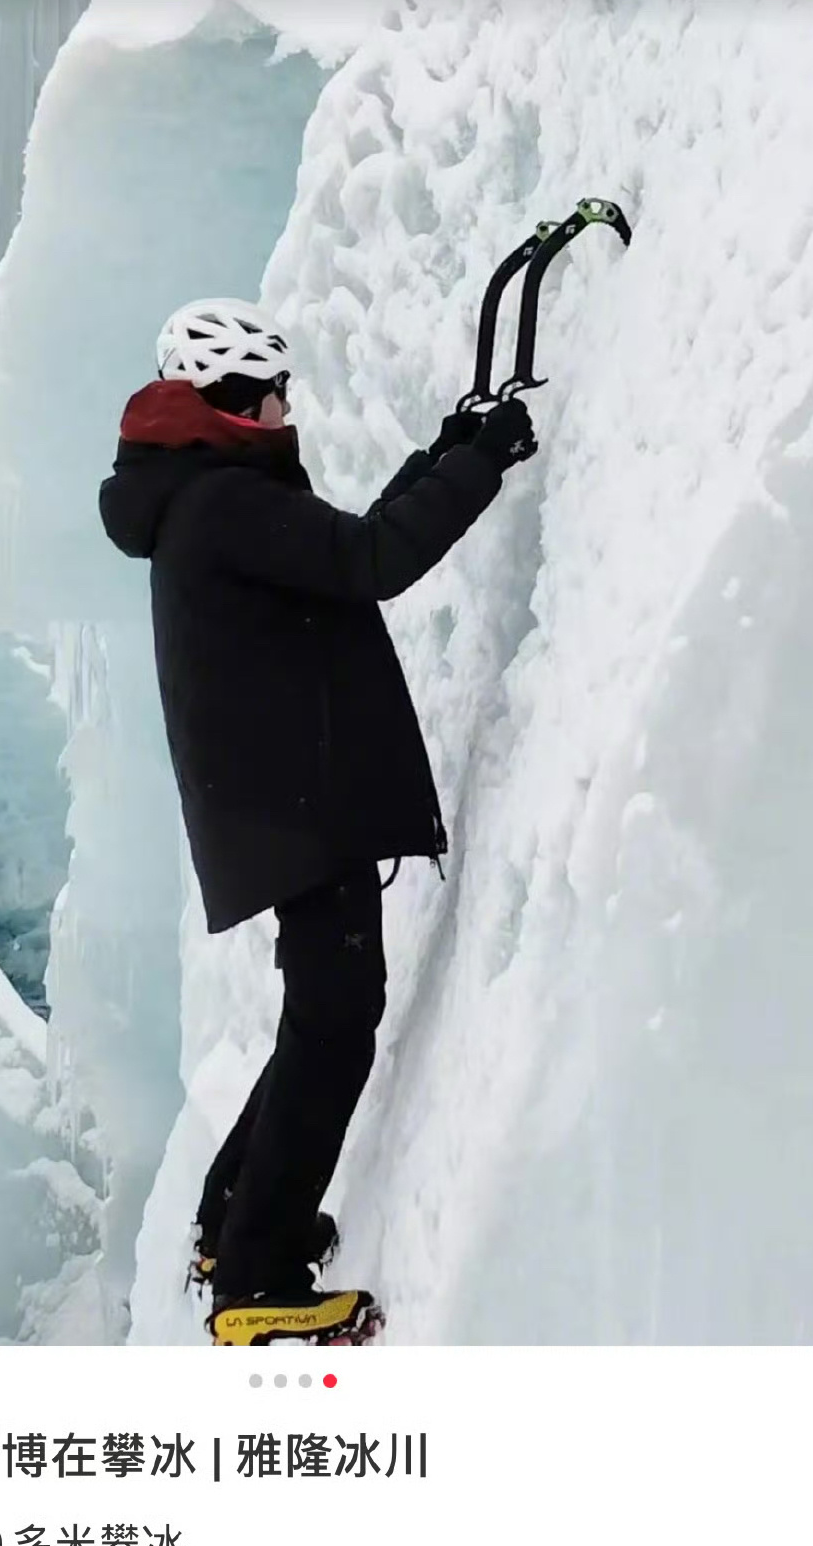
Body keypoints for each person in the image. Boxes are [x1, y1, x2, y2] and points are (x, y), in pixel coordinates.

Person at [98, 297, 536, 1344]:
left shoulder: (199, 497)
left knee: (323, 1017)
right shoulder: (220, 504)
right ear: (237, 400)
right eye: (276, 391)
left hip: (279, 803)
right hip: (297, 807)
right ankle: (255, 1280)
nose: (288, 407)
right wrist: (487, 460)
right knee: (338, 1022)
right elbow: (374, 562)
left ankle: (229, 1222)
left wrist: (446, 451)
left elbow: (341, 553)